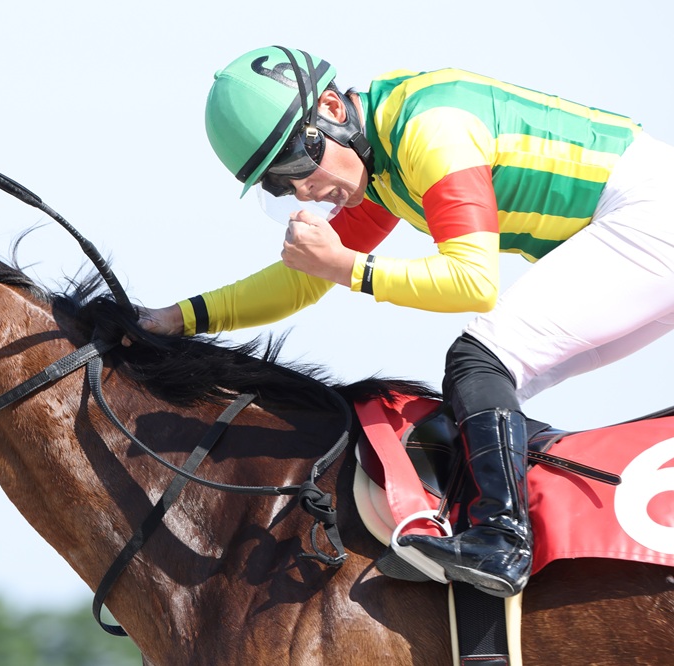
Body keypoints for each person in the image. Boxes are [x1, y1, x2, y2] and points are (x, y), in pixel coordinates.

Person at [134, 45, 674, 597]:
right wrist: (176, 318)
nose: (303, 190)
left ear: (332, 110)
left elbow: (473, 283)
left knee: (478, 361)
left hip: (650, 213)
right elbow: (301, 281)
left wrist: (349, 268)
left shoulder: (427, 130)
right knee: (476, 399)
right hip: (646, 223)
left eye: (296, 164)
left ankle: (502, 541)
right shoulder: (377, 163)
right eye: (279, 184)